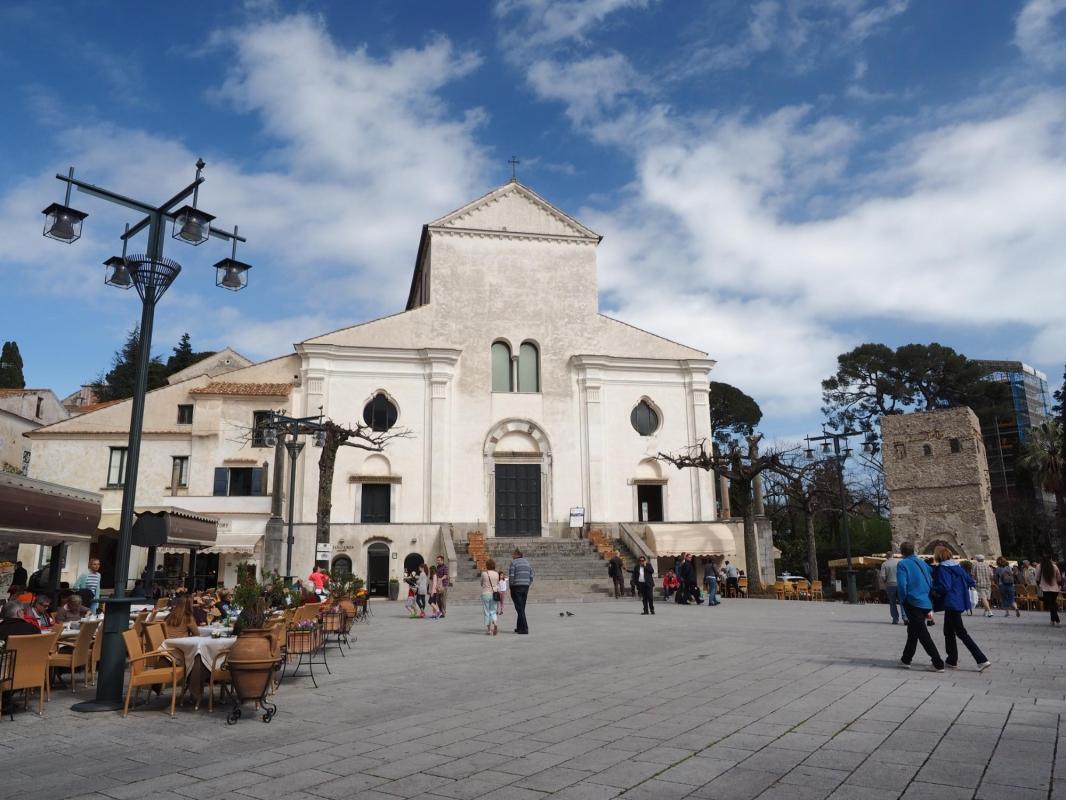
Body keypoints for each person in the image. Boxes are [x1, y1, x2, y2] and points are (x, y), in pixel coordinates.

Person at [933, 546, 990, 671]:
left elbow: (945, 586)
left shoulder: (943, 568)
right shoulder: (958, 567)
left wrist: (934, 591)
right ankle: (951, 659)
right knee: (948, 631)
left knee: (961, 633)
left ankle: (981, 659)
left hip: (951, 602)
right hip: (959, 602)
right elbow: (971, 581)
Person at [896, 541, 945, 672]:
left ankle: (938, 663)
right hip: (926, 601)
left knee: (923, 634)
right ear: (913, 551)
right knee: (913, 632)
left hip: (913, 601)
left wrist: (902, 598)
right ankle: (906, 660)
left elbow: (901, 584)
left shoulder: (902, 564)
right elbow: (933, 574)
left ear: (902, 552)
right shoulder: (922, 563)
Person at [508, 548, 533, 635]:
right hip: (525, 587)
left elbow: (511, 575)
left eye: (513, 554)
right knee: (521, 607)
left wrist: (511, 586)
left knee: (519, 608)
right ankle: (519, 627)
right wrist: (527, 584)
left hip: (516, 587)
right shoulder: (527, 562)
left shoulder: (513, 563)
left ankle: (525, 628)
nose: (512, 556)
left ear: (516, 555)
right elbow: (531, 576)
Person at [879, 551, 907, 625]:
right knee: (902, 602)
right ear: (893, 555)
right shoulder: (899, 562)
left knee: (892, 603)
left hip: (890, 585)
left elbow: (882, 576)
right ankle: (905, 618)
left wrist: (885, 581)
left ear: (886, 556)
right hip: (900, 584)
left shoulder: (884, 564)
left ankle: (895, 619)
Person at [1038, 554, 1061, 627]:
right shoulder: (1055, 567)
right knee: (1052, 604)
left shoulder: (1040, 567)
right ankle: (1052, 620)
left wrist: (1039, 585)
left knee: (1051, 605)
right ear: (1050, 559)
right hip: (1055, 589)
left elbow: (1037, 578)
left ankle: (1057, 620)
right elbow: (1059, 578)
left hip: (1045, 589)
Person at [480, 558, 501, 636]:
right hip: (494, 593)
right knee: (493, 610)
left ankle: (489, 630)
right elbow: (497, 582)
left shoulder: (484, 573)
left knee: (486, 612)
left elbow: (481, 583)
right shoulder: (496, 574)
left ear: (487, 565)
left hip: (485, 593)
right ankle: (495, 623)